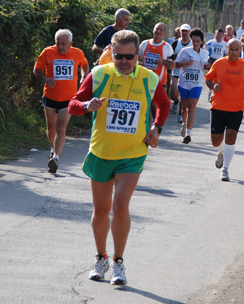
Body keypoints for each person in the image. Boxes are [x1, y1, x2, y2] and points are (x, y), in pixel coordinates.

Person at [68, 30, 170, 286]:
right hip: (101, 152)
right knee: (101, 211)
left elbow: (164, 104)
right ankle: (100, 257)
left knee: (120, 206)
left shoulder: (149, 78)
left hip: (132, 154)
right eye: (118, 56)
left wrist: (156, 128)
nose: (123, 61)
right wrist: (86, 105)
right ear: (110, 53)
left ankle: (118, 262)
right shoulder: (100, 74)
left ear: (138, 55)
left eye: (128, 56)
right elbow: (73, 103)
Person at [33, 29, 89, 173]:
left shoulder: (77, 53)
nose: (61, 47)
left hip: (68, 98)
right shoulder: (47, 52)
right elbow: (36, 70)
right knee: (51, 128)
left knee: (60, 128)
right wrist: (45, 78)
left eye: (64, 44)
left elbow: (84, 65)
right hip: (50, 96)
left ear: (71, 43)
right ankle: (53, 149)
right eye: (58, 43)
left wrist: (84, 76)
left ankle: (56, 158)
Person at [204, 38, 244, 181]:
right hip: (218, 106)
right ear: (227, 49)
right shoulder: (219, 63)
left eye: (236, 50)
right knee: (215, 141)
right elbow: (208, 78)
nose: (233, 53)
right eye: (231, 50)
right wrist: (213, 87)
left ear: (240, 50)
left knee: (231, 137)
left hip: (236, 107)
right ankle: (221, 151)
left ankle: (225, 169)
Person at [174, 28, 211, 144]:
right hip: (184, 83)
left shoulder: (205, 53)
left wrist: (207, 66)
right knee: (184, 108)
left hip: (197, 84)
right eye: (193, 41)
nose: (195, 43)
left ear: (201, 42)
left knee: (192, 108)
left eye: (197, 41)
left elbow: (205, 66)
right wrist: (185, 63)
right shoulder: (185, 51)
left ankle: (189, 133)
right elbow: (176, 64)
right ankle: (184, 124)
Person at [139, 22, 175, 90]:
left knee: (155, 101)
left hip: (159, 82)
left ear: (164, 33)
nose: (158, 31)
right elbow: (136, 59)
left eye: (161, 30)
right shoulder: (144, 43)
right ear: (153, 30)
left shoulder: (167, 47)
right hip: (144, 80)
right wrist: (138, 64)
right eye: (157, 29)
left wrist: (163, 61)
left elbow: (173, 66)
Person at [170, 24, 192, 122]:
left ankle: (181, 115)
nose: (184, 33)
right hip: (176, 71)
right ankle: (175, 102)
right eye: (182, 31)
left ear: (189, 32)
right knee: (173, 94)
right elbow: (169, 56)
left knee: (184, 95)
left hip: (187, 73)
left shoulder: (192, 44)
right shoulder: (175, 43)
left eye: (186, 31)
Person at [205, 29, 228, 101]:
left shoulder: (225, 44)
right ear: (214, 34)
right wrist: (206, 61)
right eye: (217, 34)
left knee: (217, 78)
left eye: (220, 35)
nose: (218, 36)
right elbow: (204, 52)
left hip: (220, 62)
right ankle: (210, 91)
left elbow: (226, 55)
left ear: (222, 35)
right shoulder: (210, 42)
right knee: (210, 78)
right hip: (211, 60)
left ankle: (213, 93)